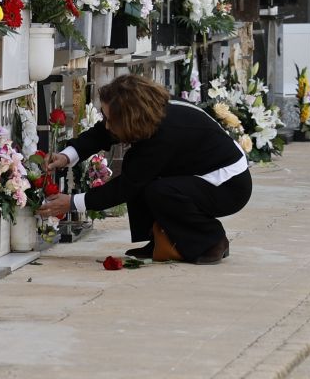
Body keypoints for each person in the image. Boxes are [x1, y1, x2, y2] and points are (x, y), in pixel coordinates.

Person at [36, 74, 250, 265]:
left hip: (229, 184)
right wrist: (67, 155)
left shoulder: (164, 136)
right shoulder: (148, 113)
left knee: (158, 189)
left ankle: (211, 240)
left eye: (110, 119)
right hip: (202, 171)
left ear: (129, 117)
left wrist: (73, 202)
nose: (107, 124)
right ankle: (158, 238)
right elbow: (103, 132)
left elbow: (126, 186)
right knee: (144, 176)